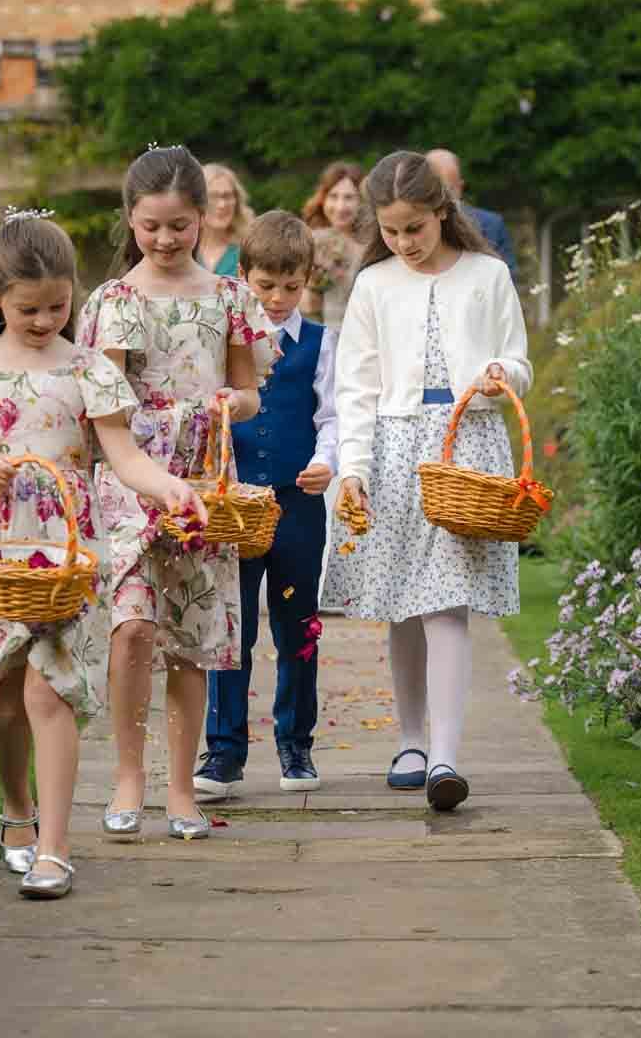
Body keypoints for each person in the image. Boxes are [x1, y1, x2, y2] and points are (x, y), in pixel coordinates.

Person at [0, 209, 207, 899]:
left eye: (57, 306)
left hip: (70, 550)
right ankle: (17, 810)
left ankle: (54, 846)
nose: (46, 320)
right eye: (28, 309)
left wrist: (169, 489)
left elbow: (124, 454)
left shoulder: (89, 370)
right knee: (8, 702)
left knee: (51, 693)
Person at [319, 150, 531, 812]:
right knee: (403, 605)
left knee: (447, 600)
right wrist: (351, 470)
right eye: (390, 231)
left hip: (467, 445)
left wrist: (501, 373)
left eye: (415, 228)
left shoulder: (488, 275)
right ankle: (410, 738)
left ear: (444, 212)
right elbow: (356, 386)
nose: (404, 243)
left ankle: (444, 754)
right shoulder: (376, 286)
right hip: (392, 447)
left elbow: (519, 359)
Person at [81, 146, 279, 842]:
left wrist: (233, 401)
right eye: (150, 226)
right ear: (130, 221)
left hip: (202, 480)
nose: (165, 240)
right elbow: (104, 413)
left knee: (193, 641)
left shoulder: (227, 298)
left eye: (179, 225)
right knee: (133, 627)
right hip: (133, 475)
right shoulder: (114, 303)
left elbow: (251, 392)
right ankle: (127, 776)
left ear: (203, 218)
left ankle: (181, 788)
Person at [193, 211, 339, 800]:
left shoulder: (322, 346)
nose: (278, 299)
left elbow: (331, 416)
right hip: (234, 505)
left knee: (297, 625)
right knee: (231, 626)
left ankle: (295, 745)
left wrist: (326, 462)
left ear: (307, 280)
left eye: (291, 286)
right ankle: (224, 751)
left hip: (297, 503)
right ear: (242, 277)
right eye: (265, 286)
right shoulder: (225, 344)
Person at [426, 148, 517, 281]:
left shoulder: (492, 224)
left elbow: (507, 280)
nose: (443, 198)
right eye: (436, 190)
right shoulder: (411, 228)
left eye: (449, 189)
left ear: (460, 186)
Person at [299, 160, 365, 330]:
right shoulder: (308, 242)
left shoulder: (372, 246)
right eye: (333, 196)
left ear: (361, 201)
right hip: (318, 335)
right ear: (323, 199)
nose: (340, 206)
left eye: (349, 197)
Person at [196, 162, 252, 276]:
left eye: (227, 196)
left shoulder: (249, 249)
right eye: (213, 196)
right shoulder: (184, 248)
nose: (222, 204)